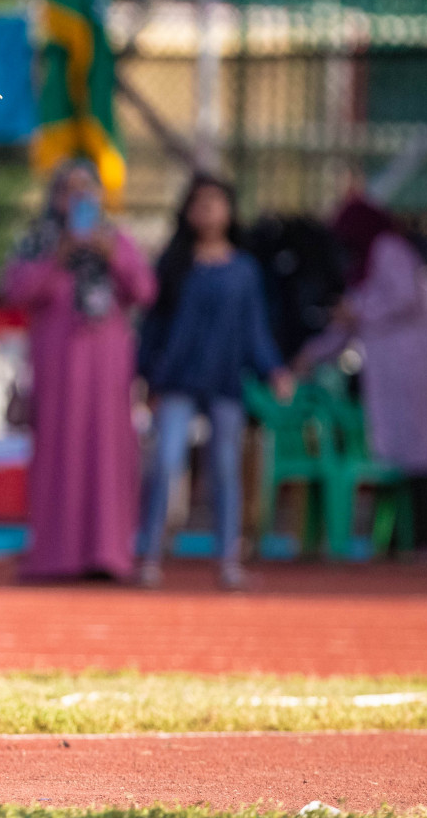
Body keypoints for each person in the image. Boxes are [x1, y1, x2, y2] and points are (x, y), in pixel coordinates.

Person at [136, 175, 293, 590]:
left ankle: (228, 562)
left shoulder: (243, 270)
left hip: (224, 381)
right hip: (177, 380)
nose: (207, 212)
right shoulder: (174, 264)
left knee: (225, 470)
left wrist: (273, 369)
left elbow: (255, 330)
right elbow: (154, 325)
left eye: (215, 203)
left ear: (229, 211)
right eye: (199, 204)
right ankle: (149, 555)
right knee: (166, 463)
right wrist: (146, 374)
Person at [1, 160, 155, 582]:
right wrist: (58, 258)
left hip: (108, 366)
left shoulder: (116, 238)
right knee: (58, 452)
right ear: (54, 196)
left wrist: (114, 256)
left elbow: (144, 290)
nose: (79, 197)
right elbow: (15, 291)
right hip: (57, 363)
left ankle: (108, 554)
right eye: (69, 189)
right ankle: (55, 555)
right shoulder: (38, 241)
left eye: (87, 188)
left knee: (109, 454)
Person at [294, 194, 427, 553]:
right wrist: (308, 356)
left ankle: (423, 538)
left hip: (412, 365)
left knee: (419, 455)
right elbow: (343, 330)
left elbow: (406, 297)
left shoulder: (387, 247)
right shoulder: (363, 261)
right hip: (388, 370)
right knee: (396, 456)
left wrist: (359, 311)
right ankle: (397, 538)